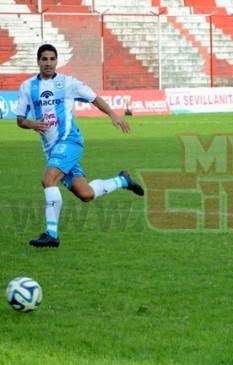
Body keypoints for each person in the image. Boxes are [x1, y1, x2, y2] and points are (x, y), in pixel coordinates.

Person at [15, 44, 145, 248]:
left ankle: (51, 234)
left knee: (48, 179)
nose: (48, 63)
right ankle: (123, 180)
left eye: (52, 59)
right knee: (85, 194)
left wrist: (113, 115)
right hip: (51, 149)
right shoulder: (27, 87)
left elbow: (94, 98)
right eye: (44, 59)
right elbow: (20, 119)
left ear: (56, 61)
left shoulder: (68, 83)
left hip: (70, 141)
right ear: (38, 61)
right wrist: (31, 123)